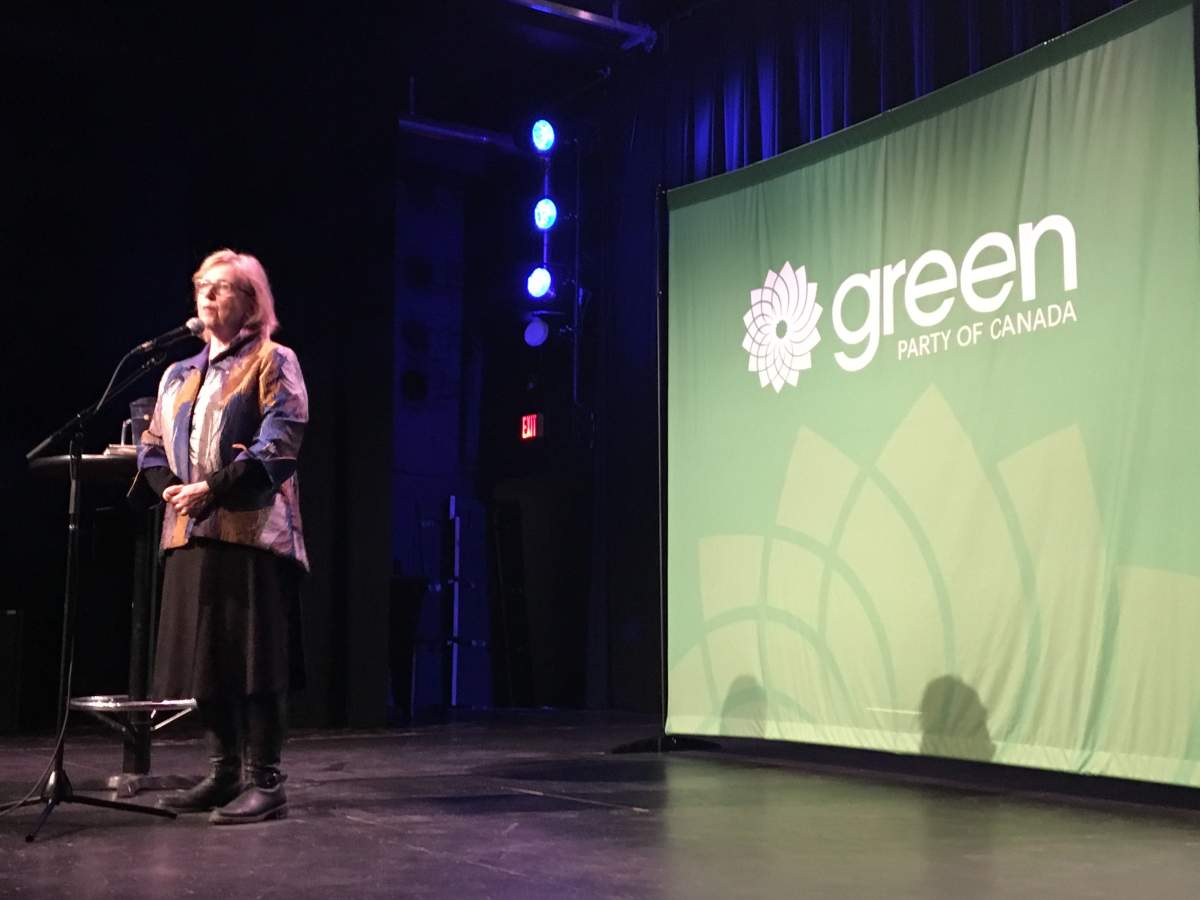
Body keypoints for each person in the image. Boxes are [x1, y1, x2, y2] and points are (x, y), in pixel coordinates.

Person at [133, 248, 308, 825]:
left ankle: (266, 780)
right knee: (204, 659)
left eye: (224, 287)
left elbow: (279, 444)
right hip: (189, 530)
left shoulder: (274, 360)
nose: (208, 295)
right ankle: (222, 771)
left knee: (253, 658)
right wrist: (171, 492)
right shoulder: (177, 373)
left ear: (252, 303)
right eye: (203, 285)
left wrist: (211, 488)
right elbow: (152, 444)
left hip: (252, 532)